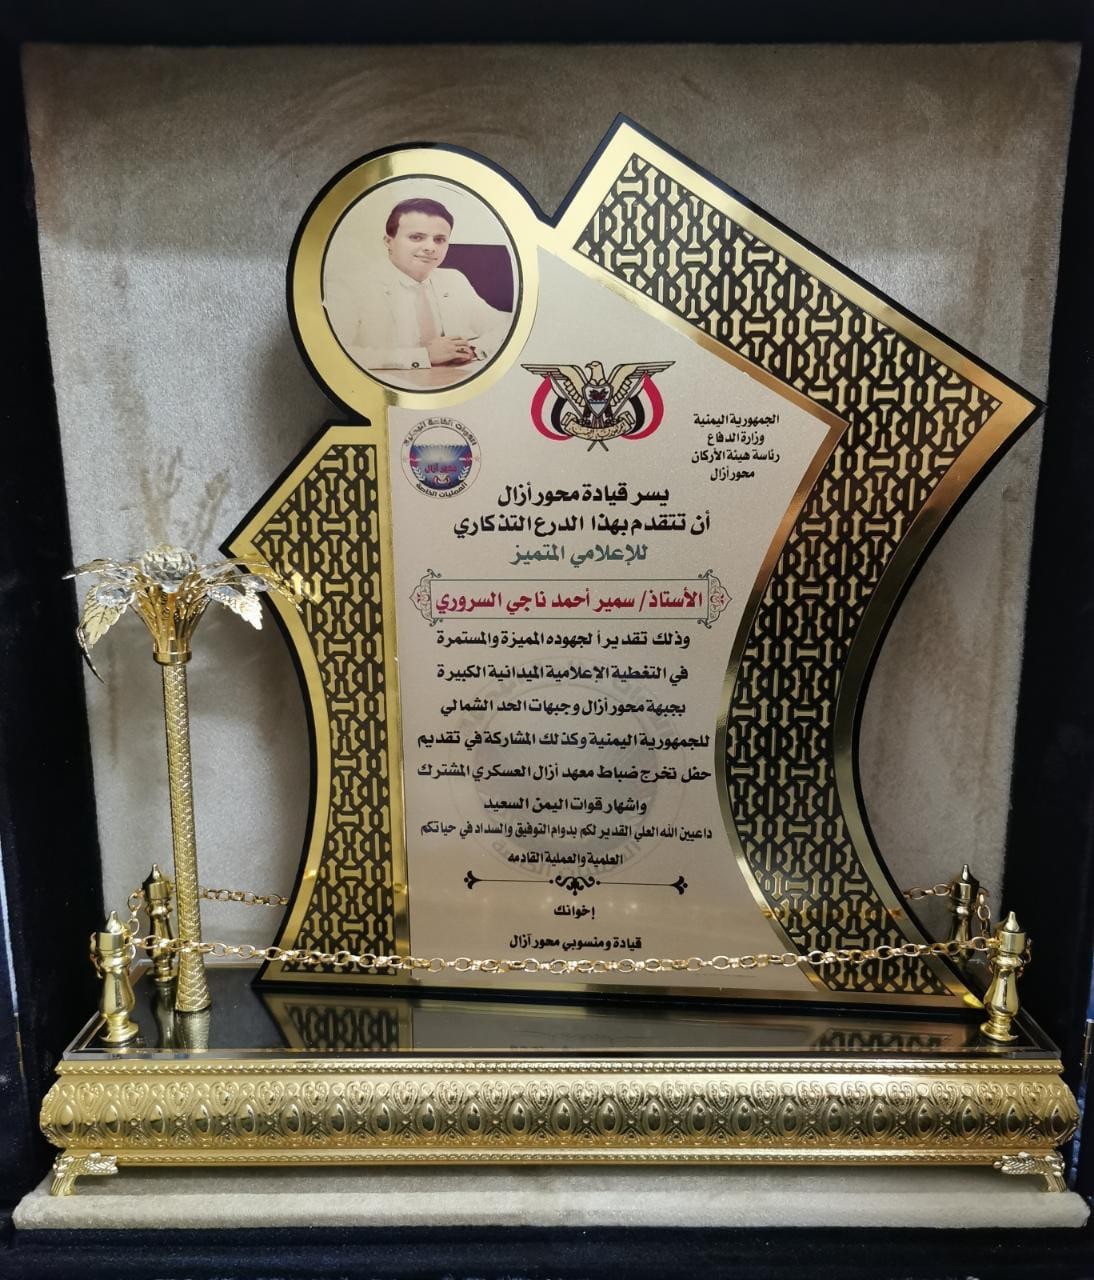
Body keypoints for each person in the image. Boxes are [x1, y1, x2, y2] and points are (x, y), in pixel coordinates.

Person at [325, 197, 512, 373]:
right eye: (416, 237)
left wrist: (473, 349)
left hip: (448, 382)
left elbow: (506, 325)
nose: (430, 247)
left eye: (439, 239)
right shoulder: (348, 287)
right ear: (388, 241)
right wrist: (423, 356)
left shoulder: (454, 280)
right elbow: (332, 353)